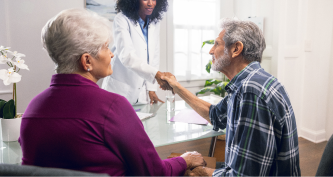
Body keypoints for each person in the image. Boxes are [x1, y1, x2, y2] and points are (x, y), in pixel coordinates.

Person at [19, 9, 205, 177]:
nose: (111, 54)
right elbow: (153, 172)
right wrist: (185, 159)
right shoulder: (113, 106)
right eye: (106, 47)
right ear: (87, 61)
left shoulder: (32, 110)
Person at [161, 19, 301, 177]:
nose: (211, 51)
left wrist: (201, 172)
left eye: (216, 44)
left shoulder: (251, 92)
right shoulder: (252, 82)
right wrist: (176, 87)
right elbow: (215, 115)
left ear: (236, 48)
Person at [102, 0, 171, 105]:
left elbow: (154, 56)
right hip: (120, 89)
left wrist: (151, 89)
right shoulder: (121, 19)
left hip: (142, 91)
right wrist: (156, 74)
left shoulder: (154, 22)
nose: (150, 3)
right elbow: (127, 56)